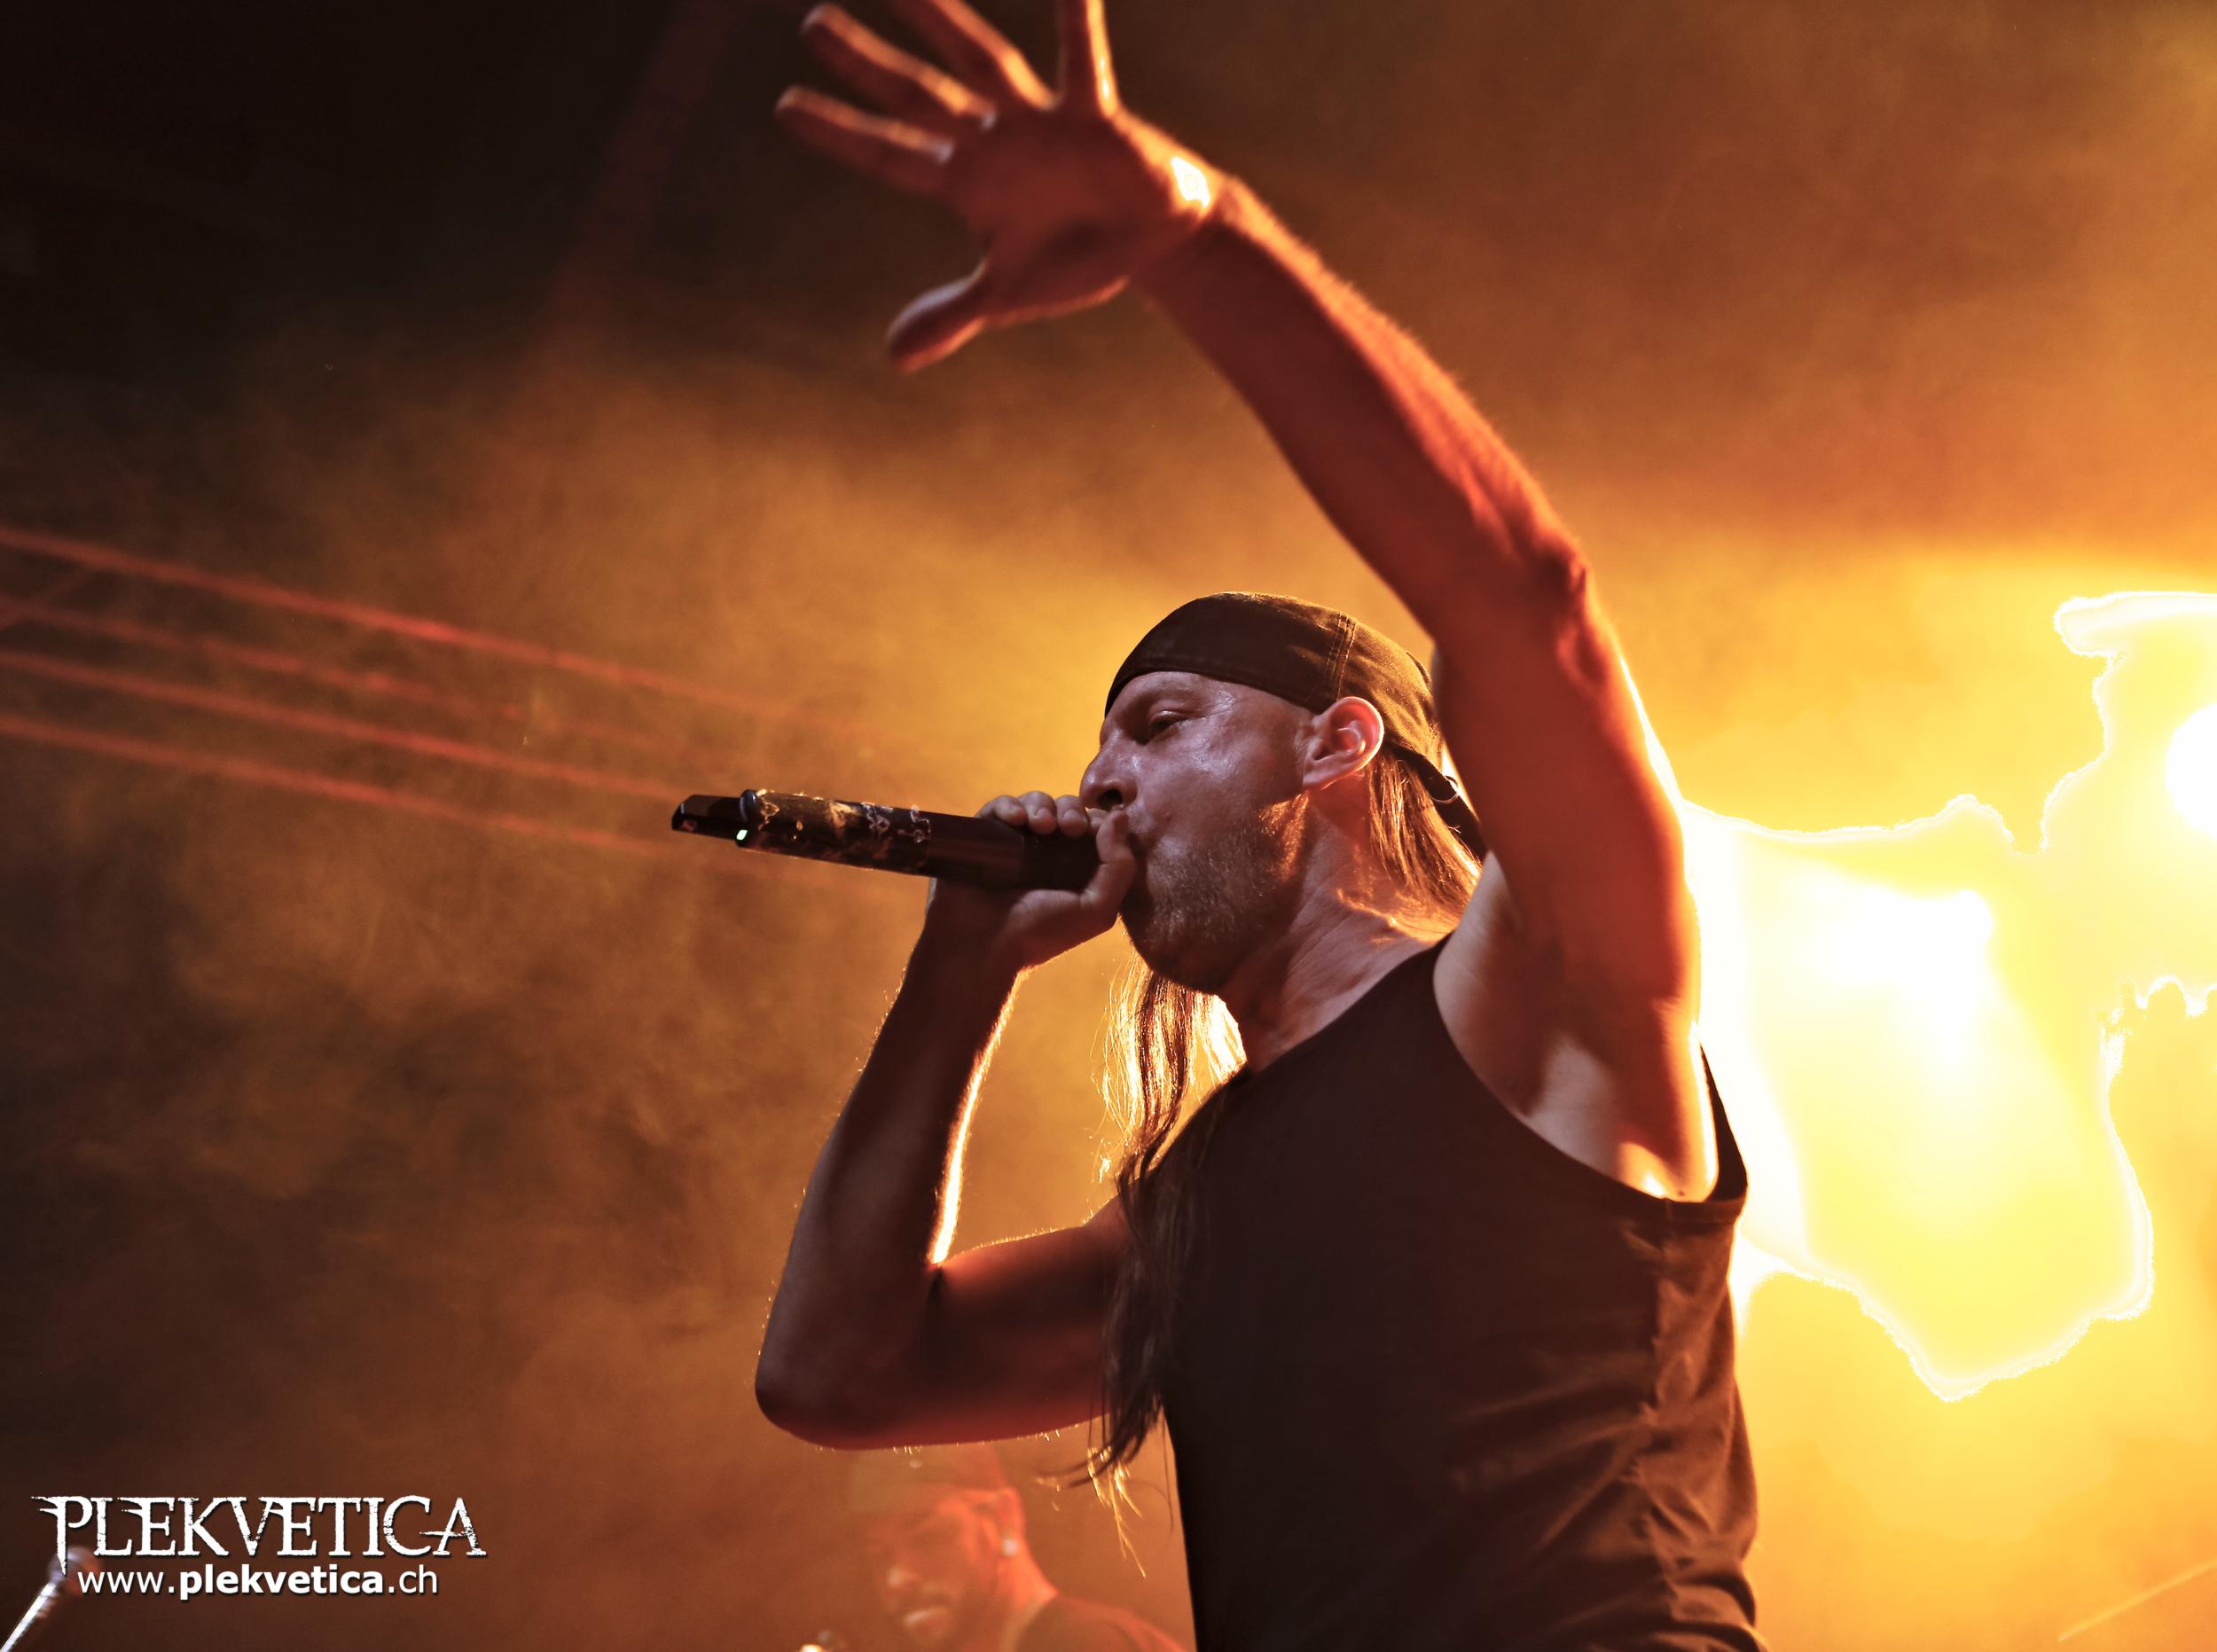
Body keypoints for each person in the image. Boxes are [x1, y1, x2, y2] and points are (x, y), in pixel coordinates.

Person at [755, 3, 1765, 1648]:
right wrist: (957, 976)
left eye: (1161, 725)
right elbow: (833, 1375)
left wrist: (1193, 238)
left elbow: (1527, 602)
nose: (1101, 783)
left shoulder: (1537, 995)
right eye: (1098, 746)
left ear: (1338, 743)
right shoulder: (1190, 1209)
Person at [847, 1445, 1185, 1652]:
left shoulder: (1087, 1644)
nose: (897, 1579)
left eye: (927, 1538)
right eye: (880, 1555)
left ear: (1003, 1518)